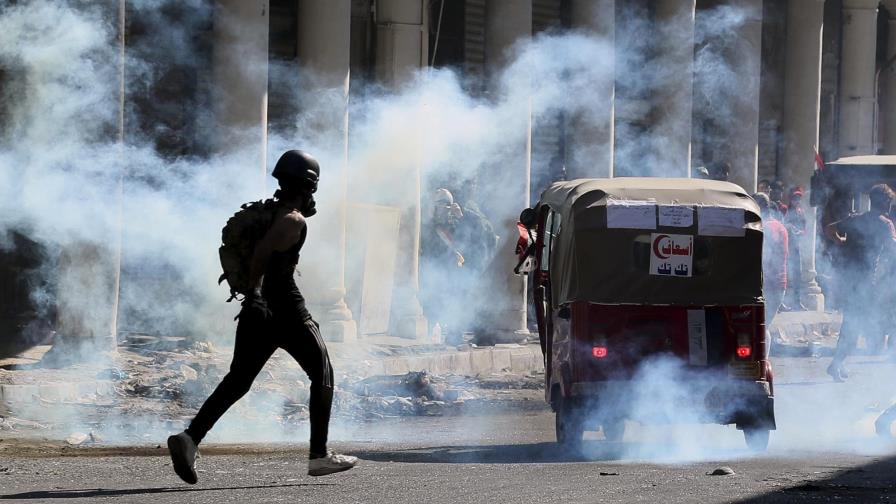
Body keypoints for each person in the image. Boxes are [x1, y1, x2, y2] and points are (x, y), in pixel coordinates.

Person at [167, 150, 357, 484]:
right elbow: (262, 254)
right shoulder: (292, 219)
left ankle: (190, 438)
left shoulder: (268, 211)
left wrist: (252, 299)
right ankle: (318, 456)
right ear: (309, 185)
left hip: (258, 311)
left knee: (238, 380)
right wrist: (256, 293)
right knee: (323, 371)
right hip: (285, 308)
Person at [824, 184, 896, 382]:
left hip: (849, 279)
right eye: (890, 202)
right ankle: (835, 364)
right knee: (854, 325)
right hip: (866, 282)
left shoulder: (856, 219)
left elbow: (830, 229)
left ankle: (839, 363)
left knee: (852, 322)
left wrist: (842, 242)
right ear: (886, 203)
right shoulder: (885, 224)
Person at [753, 193, 788, 352]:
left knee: (761, 325)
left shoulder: (767, 227)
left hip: (770, 284)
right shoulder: (778, 225)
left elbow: (766, 255)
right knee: (761, 325)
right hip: (774, 284)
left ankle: (761, 365)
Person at [783, 187, 807, 310]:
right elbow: (782, 225)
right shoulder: (785, 210)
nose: (797, 200)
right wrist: (789, 228)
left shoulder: (800, 211)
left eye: (798, 198)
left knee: (797, 274)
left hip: (796, 247)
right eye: (795, 198)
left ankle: (797, 301)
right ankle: (782, 302)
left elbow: (805, 229)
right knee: (785, 274)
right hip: (786, 248)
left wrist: (800, 232)